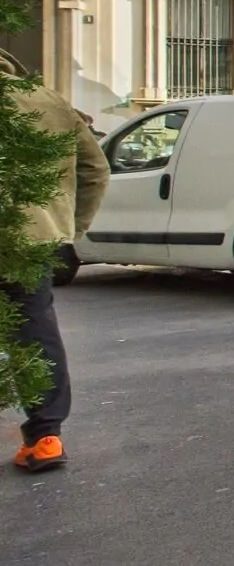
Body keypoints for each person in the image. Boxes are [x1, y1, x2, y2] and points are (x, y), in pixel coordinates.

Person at [9, 82, 109, 472]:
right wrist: (68, 229)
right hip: (32, 236)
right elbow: (95, 168)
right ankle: (46, 437)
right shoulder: (46, 99)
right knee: (33, 329)